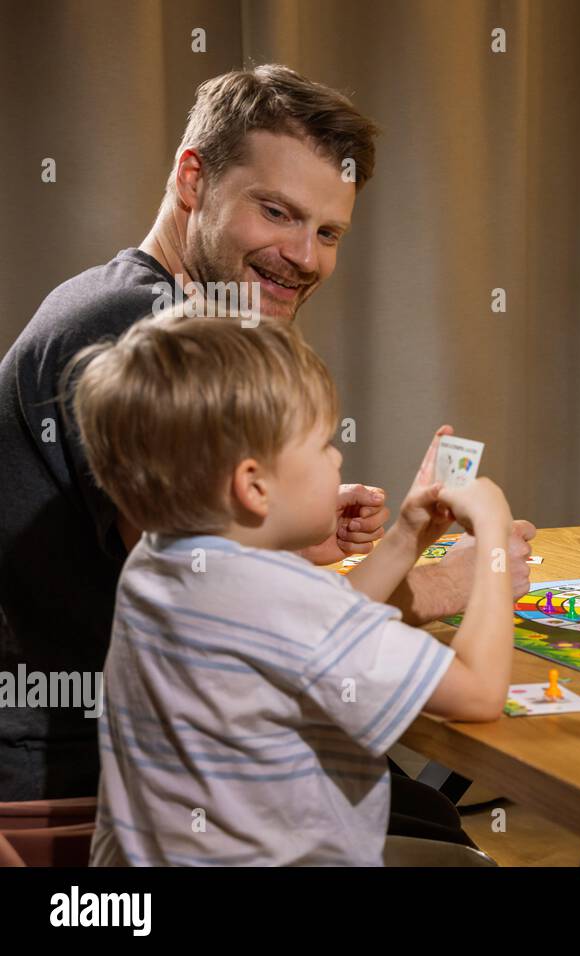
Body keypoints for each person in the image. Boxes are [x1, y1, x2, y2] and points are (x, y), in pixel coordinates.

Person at [0, 63, 532, 802]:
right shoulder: (144, 330)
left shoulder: (123, 300)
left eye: (327, 231)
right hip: (86, 773)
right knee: (429, 819)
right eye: (277, 213)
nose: (306, 258)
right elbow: (215, 619)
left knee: (418, 805)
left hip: (160, 755)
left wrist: (283, 525)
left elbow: (192, 572)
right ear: (193, 180)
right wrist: (453, 582)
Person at [76, 313, 517, 865]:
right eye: (323, 444)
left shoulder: (156, 561)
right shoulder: (278, 597)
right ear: (255, 485)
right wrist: (493, 536)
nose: (336, 458)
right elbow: (476, 694)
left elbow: (313, 628)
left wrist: (406, 538)